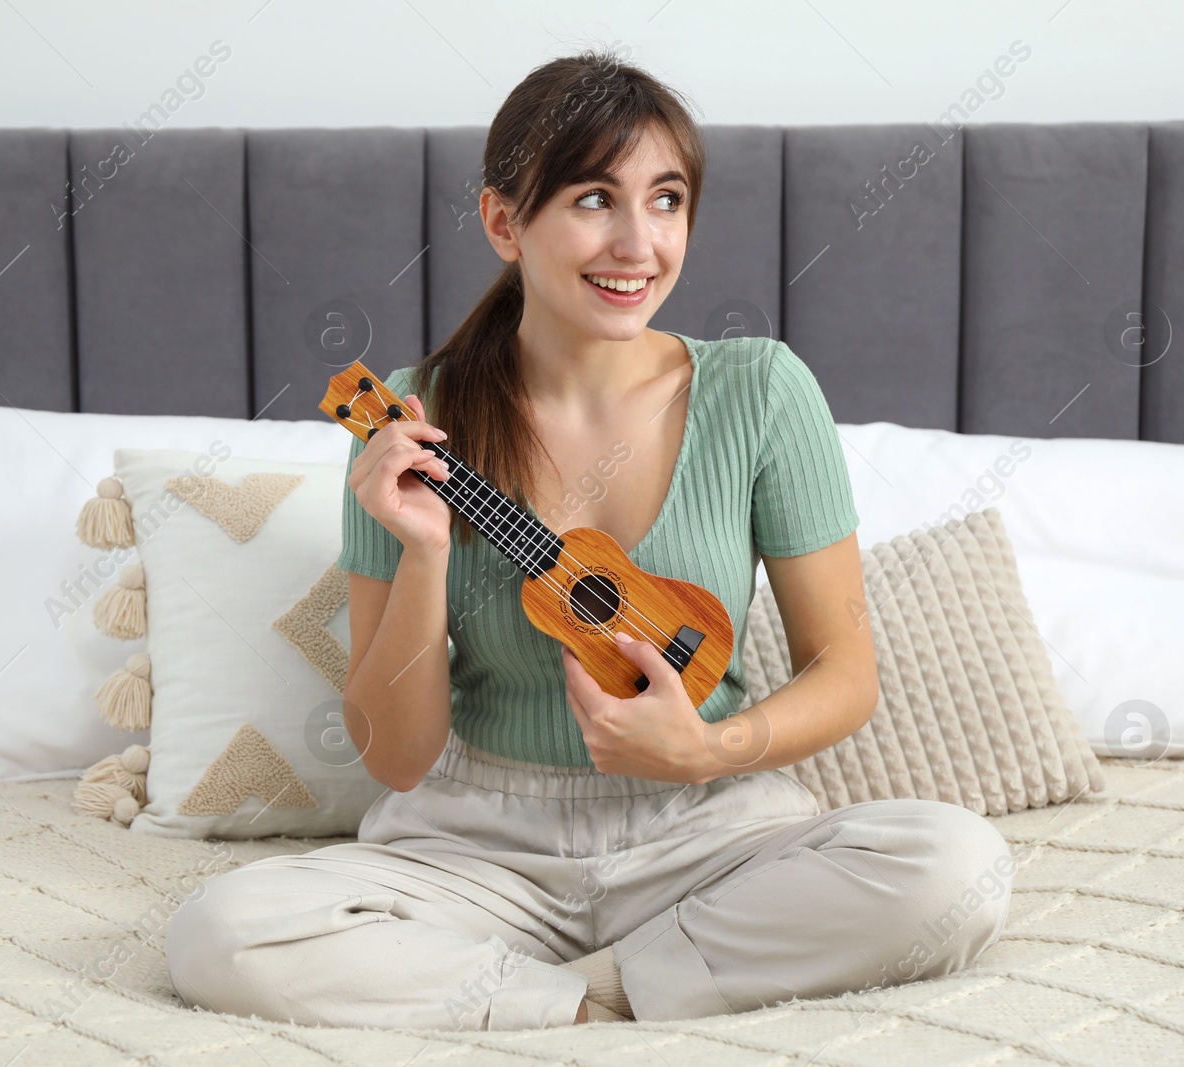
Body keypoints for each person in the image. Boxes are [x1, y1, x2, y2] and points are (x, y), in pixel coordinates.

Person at [165, 46, 1012, 1031]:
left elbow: (845, 668)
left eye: (665, 200)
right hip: (479, 844)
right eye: (592, 199)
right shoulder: (416, 419)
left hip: (704, 829)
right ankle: (605, 995)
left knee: (958, 866)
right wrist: (427, 550)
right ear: (502, 221)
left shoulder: (760, 392)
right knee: (218, 932)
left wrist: (707, 750)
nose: (637, 243)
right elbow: (394, 757)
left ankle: (577, 992)